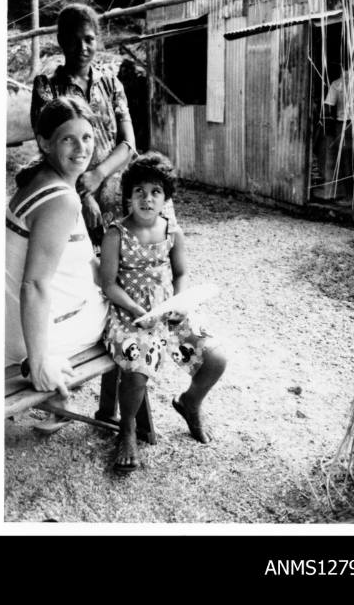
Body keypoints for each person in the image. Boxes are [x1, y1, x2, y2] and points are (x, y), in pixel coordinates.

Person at [100, 151, 226, 473]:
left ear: (165, 198)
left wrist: (179, 303)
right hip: (130, 315)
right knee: (137, 364)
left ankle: (190, 403)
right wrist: (136, 308)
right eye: (139, 191)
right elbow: (109, 284)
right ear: (128, 195)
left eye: (156, 191)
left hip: (168, 313)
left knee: (215, 358)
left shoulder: (172, 231)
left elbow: (181, 273)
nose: (147, 198)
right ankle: (127, 428)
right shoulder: (116, 233)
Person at [6, 97, 108, 432]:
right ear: (45, 143)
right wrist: (38, 363)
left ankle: (62, 403)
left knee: (111, 283)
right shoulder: (61, 200)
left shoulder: (40, 181)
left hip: (11, 322)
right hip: (29, 339)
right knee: (129, 309)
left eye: (87, 137)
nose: (81, 148)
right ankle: (108, 412)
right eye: (68, 139)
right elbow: (34, 284)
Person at [30, 3, 138, 246]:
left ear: (98, 40)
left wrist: (98, 175)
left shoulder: (111, 84)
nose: (82, 47)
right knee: (78, 267)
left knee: (119, 264)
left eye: (89, 39)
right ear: (60, 40)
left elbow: (128, 143)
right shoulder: (47, 87)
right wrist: (84, 194)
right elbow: (48, 149)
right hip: (65, 186)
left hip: (112, 185)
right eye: (73, 39)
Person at [317, 62, 354, 204]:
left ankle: (349, 198)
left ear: (342, 66)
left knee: (346, 161)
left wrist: (328, 129)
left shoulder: (337, 84)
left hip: (343, 125)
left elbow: (328, 107)